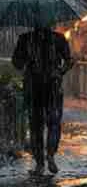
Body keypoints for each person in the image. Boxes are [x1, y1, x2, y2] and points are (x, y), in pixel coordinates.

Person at [12, 26, 73, 176]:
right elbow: (69, 61)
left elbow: (16, 63)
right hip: (53, 85)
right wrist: (59, 72)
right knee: (53, 122)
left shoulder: (25, 39)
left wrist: (28, 63)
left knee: (35, 125)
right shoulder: (58, 38)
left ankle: (40, 163)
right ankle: (50, 155)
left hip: (33, 86)